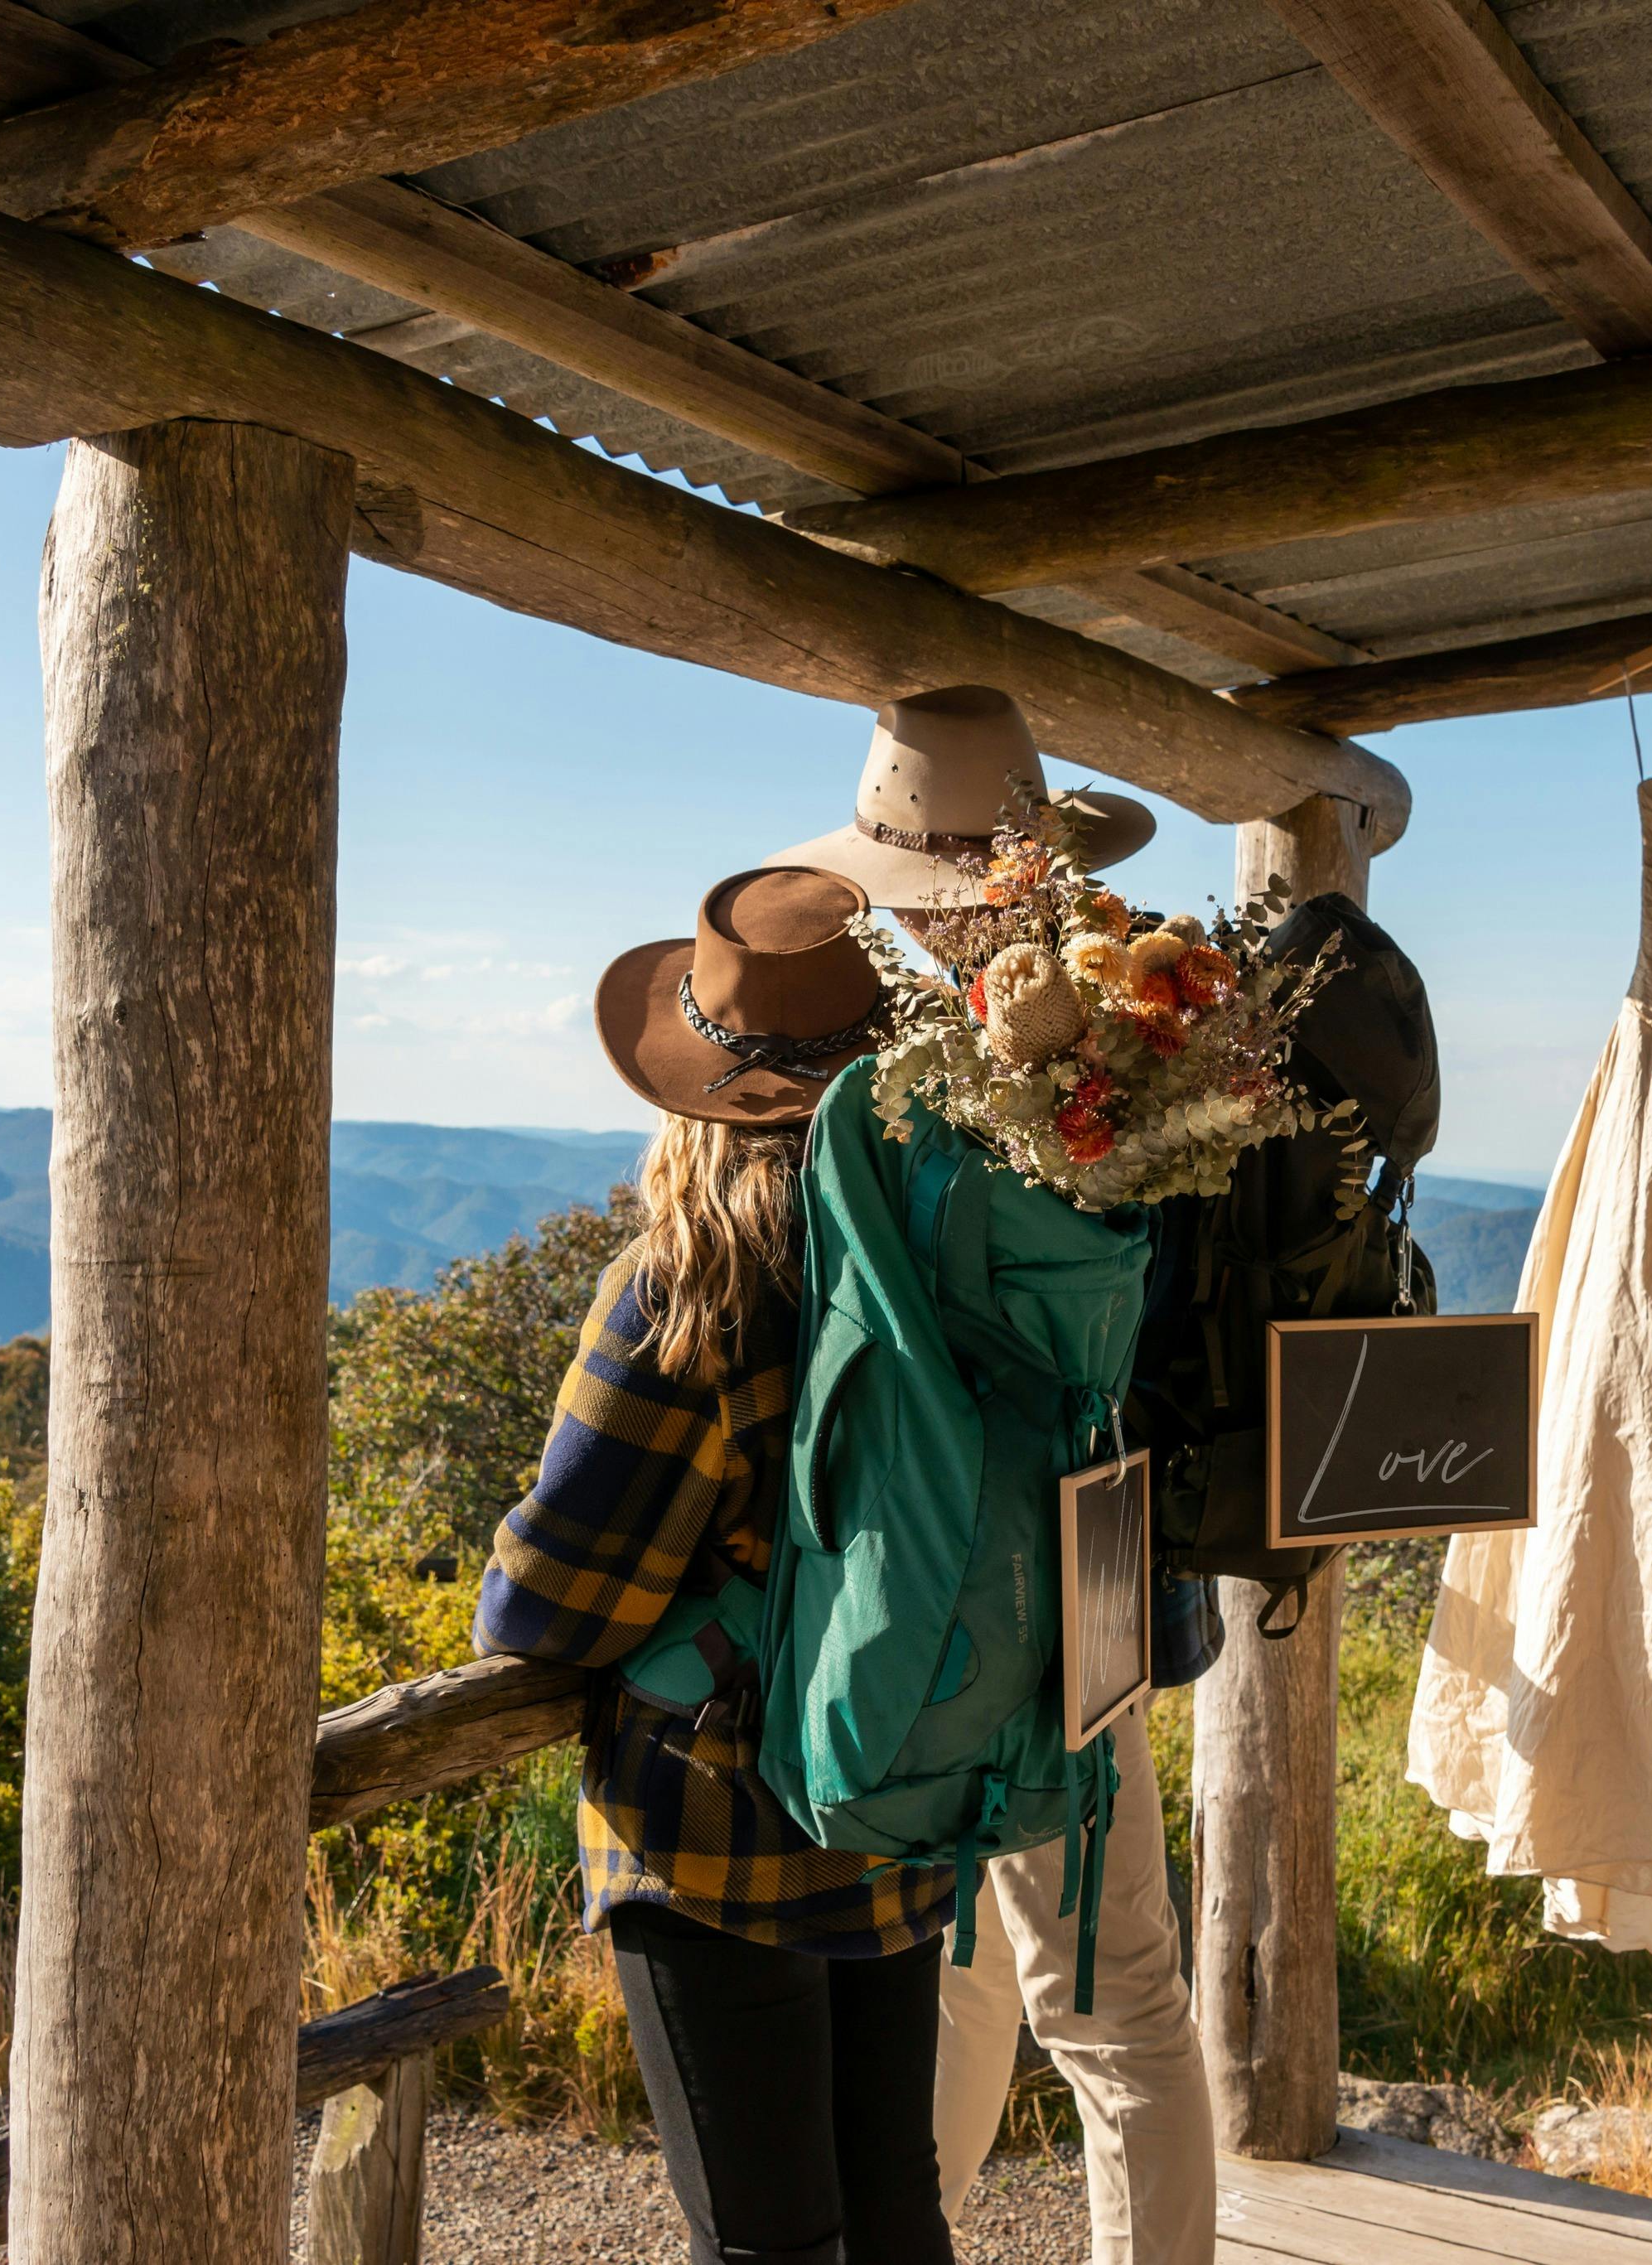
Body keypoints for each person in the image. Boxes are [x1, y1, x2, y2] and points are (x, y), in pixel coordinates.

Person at [770, 686, 1220, 2265]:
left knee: (944, 1966)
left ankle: (931, 2230)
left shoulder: (893, 1097)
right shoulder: (1145, 1062)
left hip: (943, 1562)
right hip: (1094, 1542)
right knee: (1121, 1996)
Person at [472, 864, 954, 2265]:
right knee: (894, 2205)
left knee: (768, 2239)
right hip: (904, 1782)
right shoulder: (944, 1250)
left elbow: (554, 1598)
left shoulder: (694, 1280)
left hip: (722, 1828)